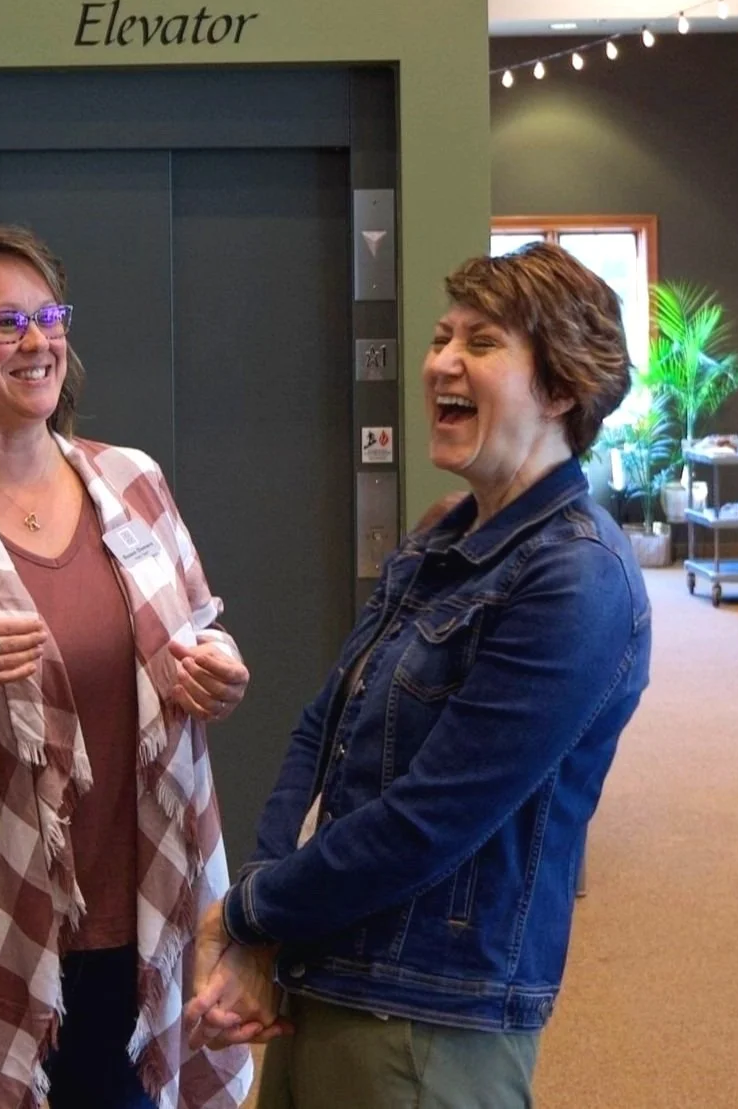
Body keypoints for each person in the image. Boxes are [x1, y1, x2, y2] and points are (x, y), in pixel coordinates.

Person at [185, 242, 653, 1109]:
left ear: (558, 388)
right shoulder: (441, 539)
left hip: (428, 1014)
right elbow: (320, 734)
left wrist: (248, 911)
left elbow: (428, 821)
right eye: (441, 337)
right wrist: (260, 934)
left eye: (479, 342)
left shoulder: (577, 578)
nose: (439, 360)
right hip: (323, 970)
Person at [0, 224, 254, 1109]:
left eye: (50, 315)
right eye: (5, 322)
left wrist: (219, 671)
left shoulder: (132, 482)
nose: (38, 341)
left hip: (136, 905)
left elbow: (200, 639)